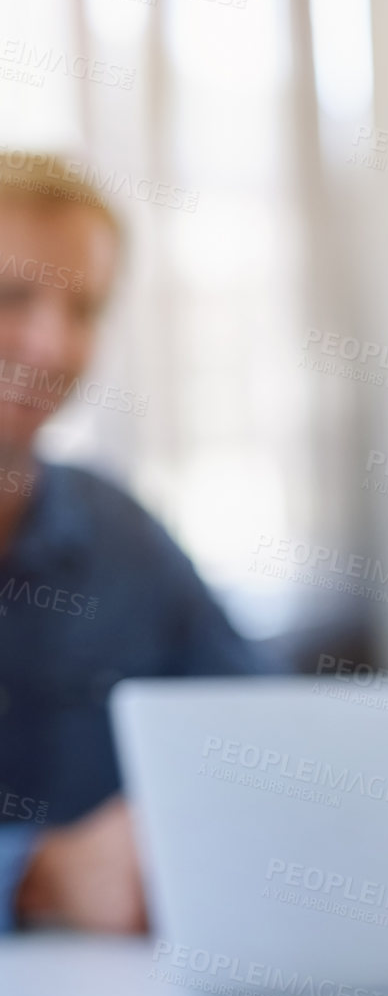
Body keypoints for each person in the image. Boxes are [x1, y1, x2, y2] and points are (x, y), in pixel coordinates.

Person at [0, 153, 265, 933]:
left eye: (84, 308)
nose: (52, 346)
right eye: (12, 296)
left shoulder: (119, 531)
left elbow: (261, 729)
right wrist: (36, 872)